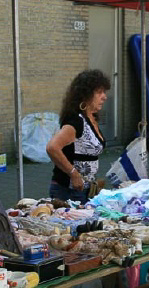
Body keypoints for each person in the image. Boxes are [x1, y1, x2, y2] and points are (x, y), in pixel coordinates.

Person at [47, 69, 110, 202]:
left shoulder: (91, 118)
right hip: (68, 191)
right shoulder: (76, 121)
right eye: (99, 92)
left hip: (84, 190)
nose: (104, 97)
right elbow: (52, 147)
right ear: (85, 94)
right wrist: (73, 174)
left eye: (104, 92)